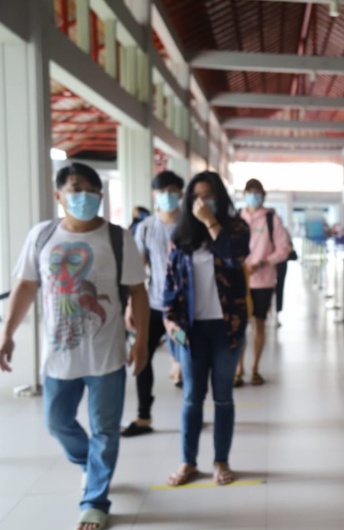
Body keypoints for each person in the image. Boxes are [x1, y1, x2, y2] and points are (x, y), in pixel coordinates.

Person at [0, 162, 148, 530]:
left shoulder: (118, 238)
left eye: (89, 190)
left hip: (106, 355)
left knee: (105, 430)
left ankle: (95, 500)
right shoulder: (42, 235)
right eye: (74, 188)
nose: (81, 196)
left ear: (100, 195)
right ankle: (89, 464)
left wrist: (143, 340)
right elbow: (26, 287)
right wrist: (7, 333)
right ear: (58, 195)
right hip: (58, 358)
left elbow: (138, 293)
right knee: (57, 422)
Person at [162, 171, 250, 487]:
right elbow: (170, 283)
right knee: (192, 398)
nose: (202, 201)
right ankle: (188, 462)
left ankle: (221, 460)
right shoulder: (180, 236)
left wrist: (212, 222)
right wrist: (169, 320)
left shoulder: (236, 228)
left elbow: (233, 257)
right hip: (191, 329)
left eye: (208, 195)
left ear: (219, 197)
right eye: (196, 196)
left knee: (223, 397)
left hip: (227, 327)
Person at [121, 171, 185, 437]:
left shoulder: (191, 226)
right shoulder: (146, 227)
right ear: (154, 195)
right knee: (142, 355)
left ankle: (192, 413)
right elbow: (137, 271)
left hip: (185, 308)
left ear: (181, 194)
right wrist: (130, 307)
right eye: (162, 191)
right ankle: (143, 416)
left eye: (172, 191)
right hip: (155, 304)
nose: (167, 196)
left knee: (190, 361)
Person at [236, 179, 290, 386]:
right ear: (245, 194)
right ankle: (238, 369)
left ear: (263, 196)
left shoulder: (271, 219)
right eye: (250, 192)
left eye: (257, 193)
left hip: (263, 281)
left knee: (259, 324)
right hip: (239, 280)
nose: (254, 196)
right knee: (238, 326)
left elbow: (284, 249)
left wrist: (263, 263)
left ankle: (255, 368)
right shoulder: (237, 218)